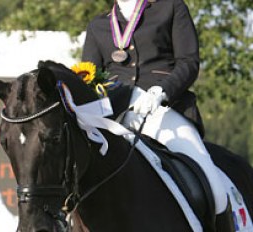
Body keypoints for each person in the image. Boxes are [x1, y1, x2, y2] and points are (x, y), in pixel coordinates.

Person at [82, 0, 234, 230]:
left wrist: (162, 91)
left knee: (214, 185)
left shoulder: (170, 8)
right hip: (117, 116)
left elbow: (188, 62)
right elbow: (88, 80)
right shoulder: (98, 25)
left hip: (164, 109)